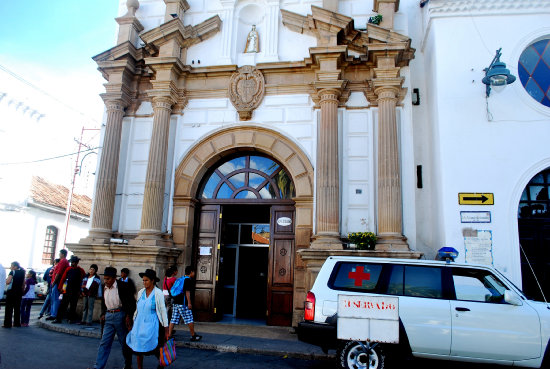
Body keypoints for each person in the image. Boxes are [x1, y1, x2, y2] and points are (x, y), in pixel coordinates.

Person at [93, 267, 136, 369]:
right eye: (105, 279)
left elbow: (131, 303)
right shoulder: (104, 287)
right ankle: (98, 366)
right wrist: (103, 313)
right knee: (104, 342)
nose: (106, 281)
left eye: (108, 279)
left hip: (120, 315)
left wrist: (128, 316)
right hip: (108, 315)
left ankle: (128, 364)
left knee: (124, 342)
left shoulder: (123, 286)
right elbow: (104, 302)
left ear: (113, 278)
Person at [126, 269, 169, 369]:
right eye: (143, 280)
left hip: (152, 323)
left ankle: (161, 364)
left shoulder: (158, 293)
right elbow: (137, 308)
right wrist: (133, 320)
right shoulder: (141, 292)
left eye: (146, 280)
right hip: (139, 323)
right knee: (138, 346)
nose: (144, 282)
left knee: (154, 347)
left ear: (153, 281)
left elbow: (162, 311)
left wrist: (166, 329)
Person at [168, 266, 202, 341]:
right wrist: (189, 303)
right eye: (193, 272)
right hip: (183, 303)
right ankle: (193, 335)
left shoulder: (181, 279)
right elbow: (187, 292)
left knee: (173, 318)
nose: (194, 273)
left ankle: (169, 335)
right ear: (191, 272)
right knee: (189, 319)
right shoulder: (188, 280)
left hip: (176, 302)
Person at [54, 255, 85, 324]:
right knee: (63, 305)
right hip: (67, 290)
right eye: (72, 262)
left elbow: (83, 279)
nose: (72, 263)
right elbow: (63, 279)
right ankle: (58, 318)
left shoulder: (80, 270)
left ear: (76, 263)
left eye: (73, 262)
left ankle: (71, 319)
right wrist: (60, 287)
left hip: (75, 291)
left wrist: (81, 290)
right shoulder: (68, 269)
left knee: (73, 306)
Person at [46, 249, 69, 321]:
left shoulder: (63, 261)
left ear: (62, 254)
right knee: (54, 298)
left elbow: (58, 273)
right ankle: (53, 313)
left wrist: (54, 282)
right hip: (57, 282)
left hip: (58, 282)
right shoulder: (63, 261)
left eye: (60, 254)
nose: (59, 255)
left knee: (55, 298)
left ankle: (54, 314)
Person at [3, 261, 25, 328]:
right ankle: (17, 323)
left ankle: (7, 324)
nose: (10, 267)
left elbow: (8, 281)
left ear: (15, 266)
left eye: (11, 266)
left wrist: (5, 281)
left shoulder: (12, 272)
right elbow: (23, 284)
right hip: (18, 293)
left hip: (11, 292)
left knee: (9, 308)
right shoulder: (22, 272)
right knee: (17, 308)